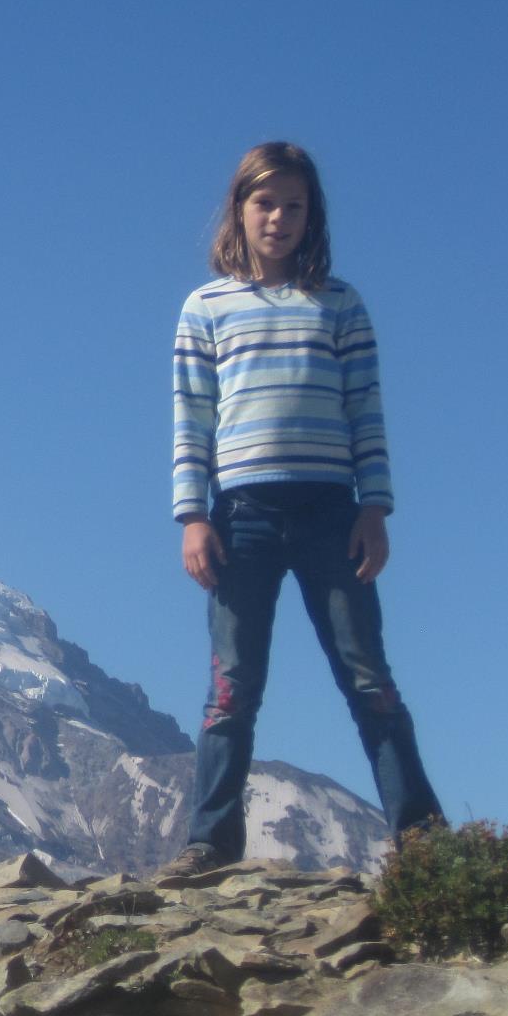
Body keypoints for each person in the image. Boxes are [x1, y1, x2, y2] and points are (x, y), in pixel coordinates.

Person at [160, 141, 443, 883]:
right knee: (232, 686)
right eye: (265, 203)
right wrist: (193, 517)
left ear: (311, 215)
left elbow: (365, 410)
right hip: (241, 514)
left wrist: (374, 506)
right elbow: (192, 419)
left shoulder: (340, 303)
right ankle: (211, 840)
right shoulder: (205, 307)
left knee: (367, 676)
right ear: (239, 209)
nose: (278, 218)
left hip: (330, 512)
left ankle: (426, 841)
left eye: (293, 205)